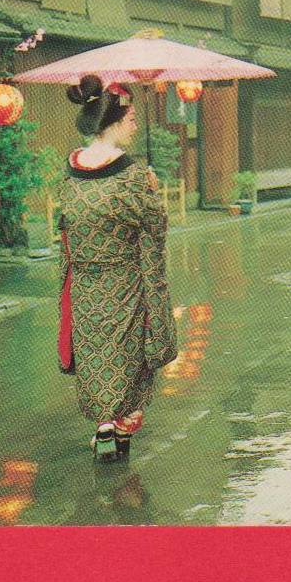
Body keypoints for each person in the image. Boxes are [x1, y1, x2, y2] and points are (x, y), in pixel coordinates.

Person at [57, 75, 177, 462]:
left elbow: (67, 229)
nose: (137, 126)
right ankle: (123, 424)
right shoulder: (133, 177)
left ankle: (104, 426)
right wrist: (154, 196)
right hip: (125, 283)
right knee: (131, 355)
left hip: (85, 286)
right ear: (115, 121)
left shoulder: (70, 171)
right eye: (132, 120)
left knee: (96, 355)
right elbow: (154, 231)